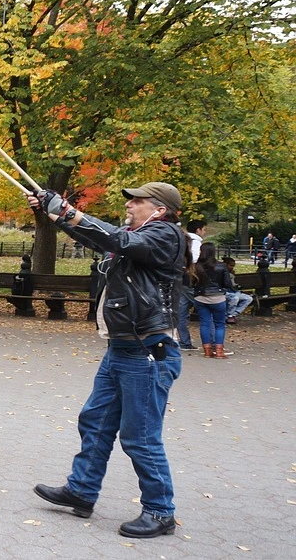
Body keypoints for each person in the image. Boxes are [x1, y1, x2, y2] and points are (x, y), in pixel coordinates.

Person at [28, 181, 185, 539]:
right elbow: (101, 238)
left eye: (137, 201)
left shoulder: (164, 236)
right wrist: (52, 211)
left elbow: (116, 239)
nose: (129, 206)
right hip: (121, 349)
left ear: (159, 210)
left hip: (147, 353)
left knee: (140, 437)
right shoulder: (136, 235)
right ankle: (81, 491)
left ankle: (161, 512)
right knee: (96, 422)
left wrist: (66, 209)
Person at [192, 242, 230, 358]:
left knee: (205, 323)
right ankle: (219, 351)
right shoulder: (221, 266)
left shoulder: (196, 266)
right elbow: (227, 283)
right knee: (219, 324)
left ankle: (207, 351)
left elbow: (191, 283)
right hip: (218, 298)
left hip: (201, 297)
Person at [176, 220, 205, 350]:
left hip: (181, 278)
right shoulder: (196, 242)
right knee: (205, 309)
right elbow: (195, 259)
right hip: (191, 279)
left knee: (181, 311)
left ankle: (184, 341)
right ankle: (213, 344)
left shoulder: (182, 239)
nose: (205, 232)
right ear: (198, 230)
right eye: (204, 229)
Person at [222, 256, 252, 324]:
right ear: (225, 264)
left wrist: (238, 288)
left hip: (233, 291)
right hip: (225, 292)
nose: (232, 267)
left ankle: (233, 314)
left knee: (248, 298)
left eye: (233, 266)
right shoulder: (222, 272)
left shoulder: (232, 273)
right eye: (231, 265)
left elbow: (233, 284)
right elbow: (228, 285)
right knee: (235, 298)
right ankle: (229, 315)